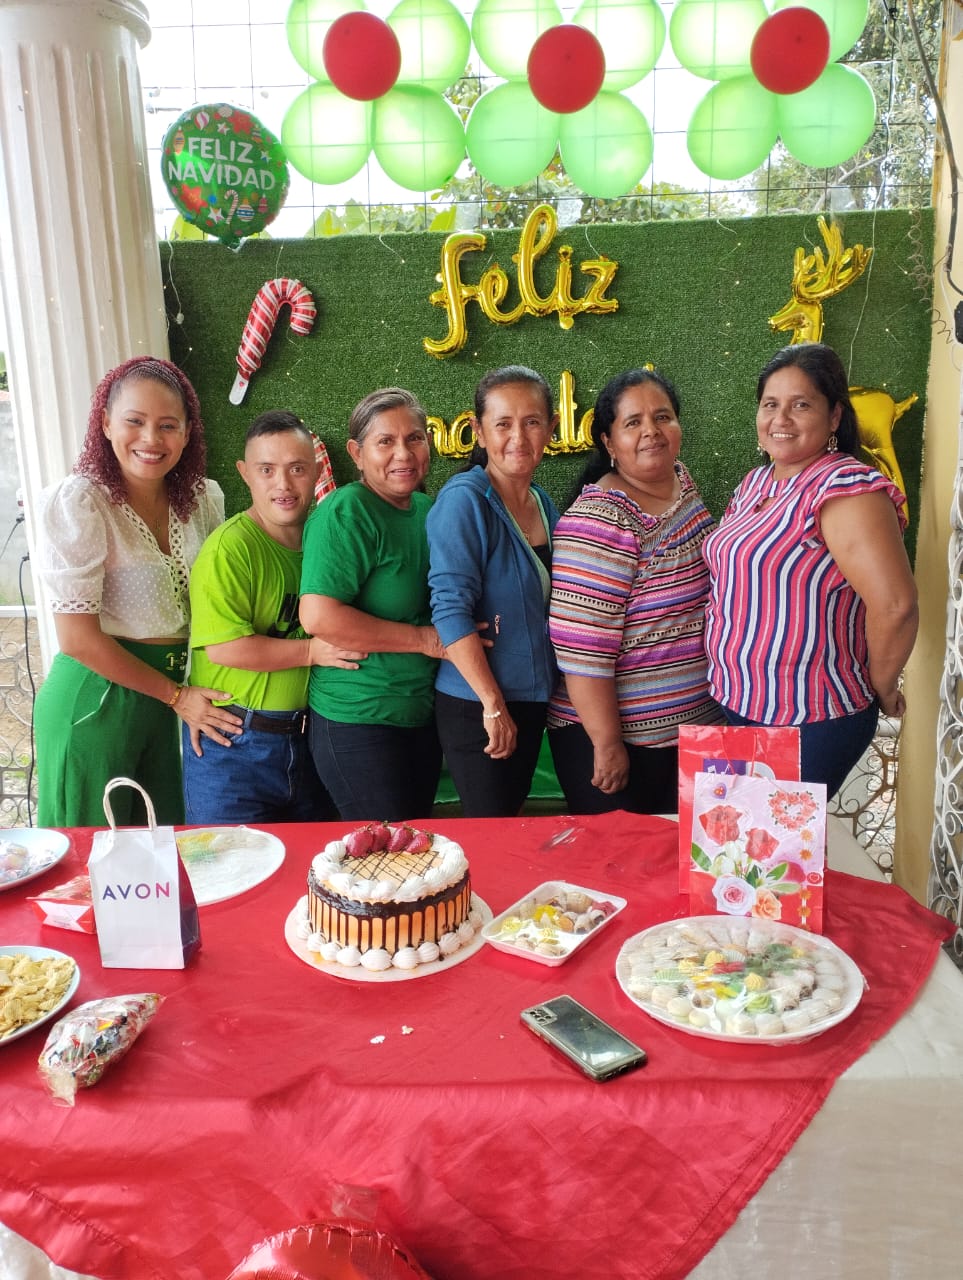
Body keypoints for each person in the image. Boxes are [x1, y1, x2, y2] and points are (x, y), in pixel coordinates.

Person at [702, 341, 919, 799]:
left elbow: (895, 605)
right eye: (770, 405)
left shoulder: (845, 486)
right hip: (740, 702)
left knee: (778, 841)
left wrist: (881, 687)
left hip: (809, 716)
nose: (781, 419)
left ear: (835, 416)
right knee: (748, 839)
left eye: (800, 405)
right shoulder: (757, 481)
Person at [34, 356, 240, 827]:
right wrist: (177, 697)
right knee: (90, 854)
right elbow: (77, 639)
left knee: (157, 851)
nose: (151, 439)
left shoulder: (203, 500)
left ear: (187, 433)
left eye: (168, 425)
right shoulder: (81, 501)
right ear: (106, 423)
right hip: (95, 700)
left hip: (166, 701)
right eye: (135, 421)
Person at [547, 368, 720, 815]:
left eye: (662, 417)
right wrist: (607, 744)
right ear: (609, 442)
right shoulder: (599, 522)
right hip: (620, 744)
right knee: (628, 859)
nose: (651, 431)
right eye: (633, 422)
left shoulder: (682, 484)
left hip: (694, 736)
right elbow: (582, 652)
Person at [181, 411, 364, 824]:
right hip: (233, 745)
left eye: (297, 469)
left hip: (311, 743)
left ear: (316, 471)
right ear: (245, 473)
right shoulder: (230, 548)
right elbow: (227, 648)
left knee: (315, 863)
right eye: (267, 470)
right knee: (229, 864)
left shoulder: (325, 543)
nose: (283, 484)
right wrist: (312, 652)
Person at [299, 388, 444, 821]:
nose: (404, 453)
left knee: (417, 849)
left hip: (419, 715)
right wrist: (424, 640)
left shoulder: (427, 509)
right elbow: (318, 616)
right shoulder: (346, 511)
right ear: (357, 454)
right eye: (386, 441)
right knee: (385, 853)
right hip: (357, 720)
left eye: (414, 438)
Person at [427, 365, 560, 818]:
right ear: (480, 431)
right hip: (477, 704)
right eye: (503, 424)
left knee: (510, 822)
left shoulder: (541, 501)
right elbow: (449, 609)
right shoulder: (465, 500)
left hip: (530, 699)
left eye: (532, 422)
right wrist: (492, 703)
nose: (518, 437)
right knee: (490, 831)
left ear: (551, 429)